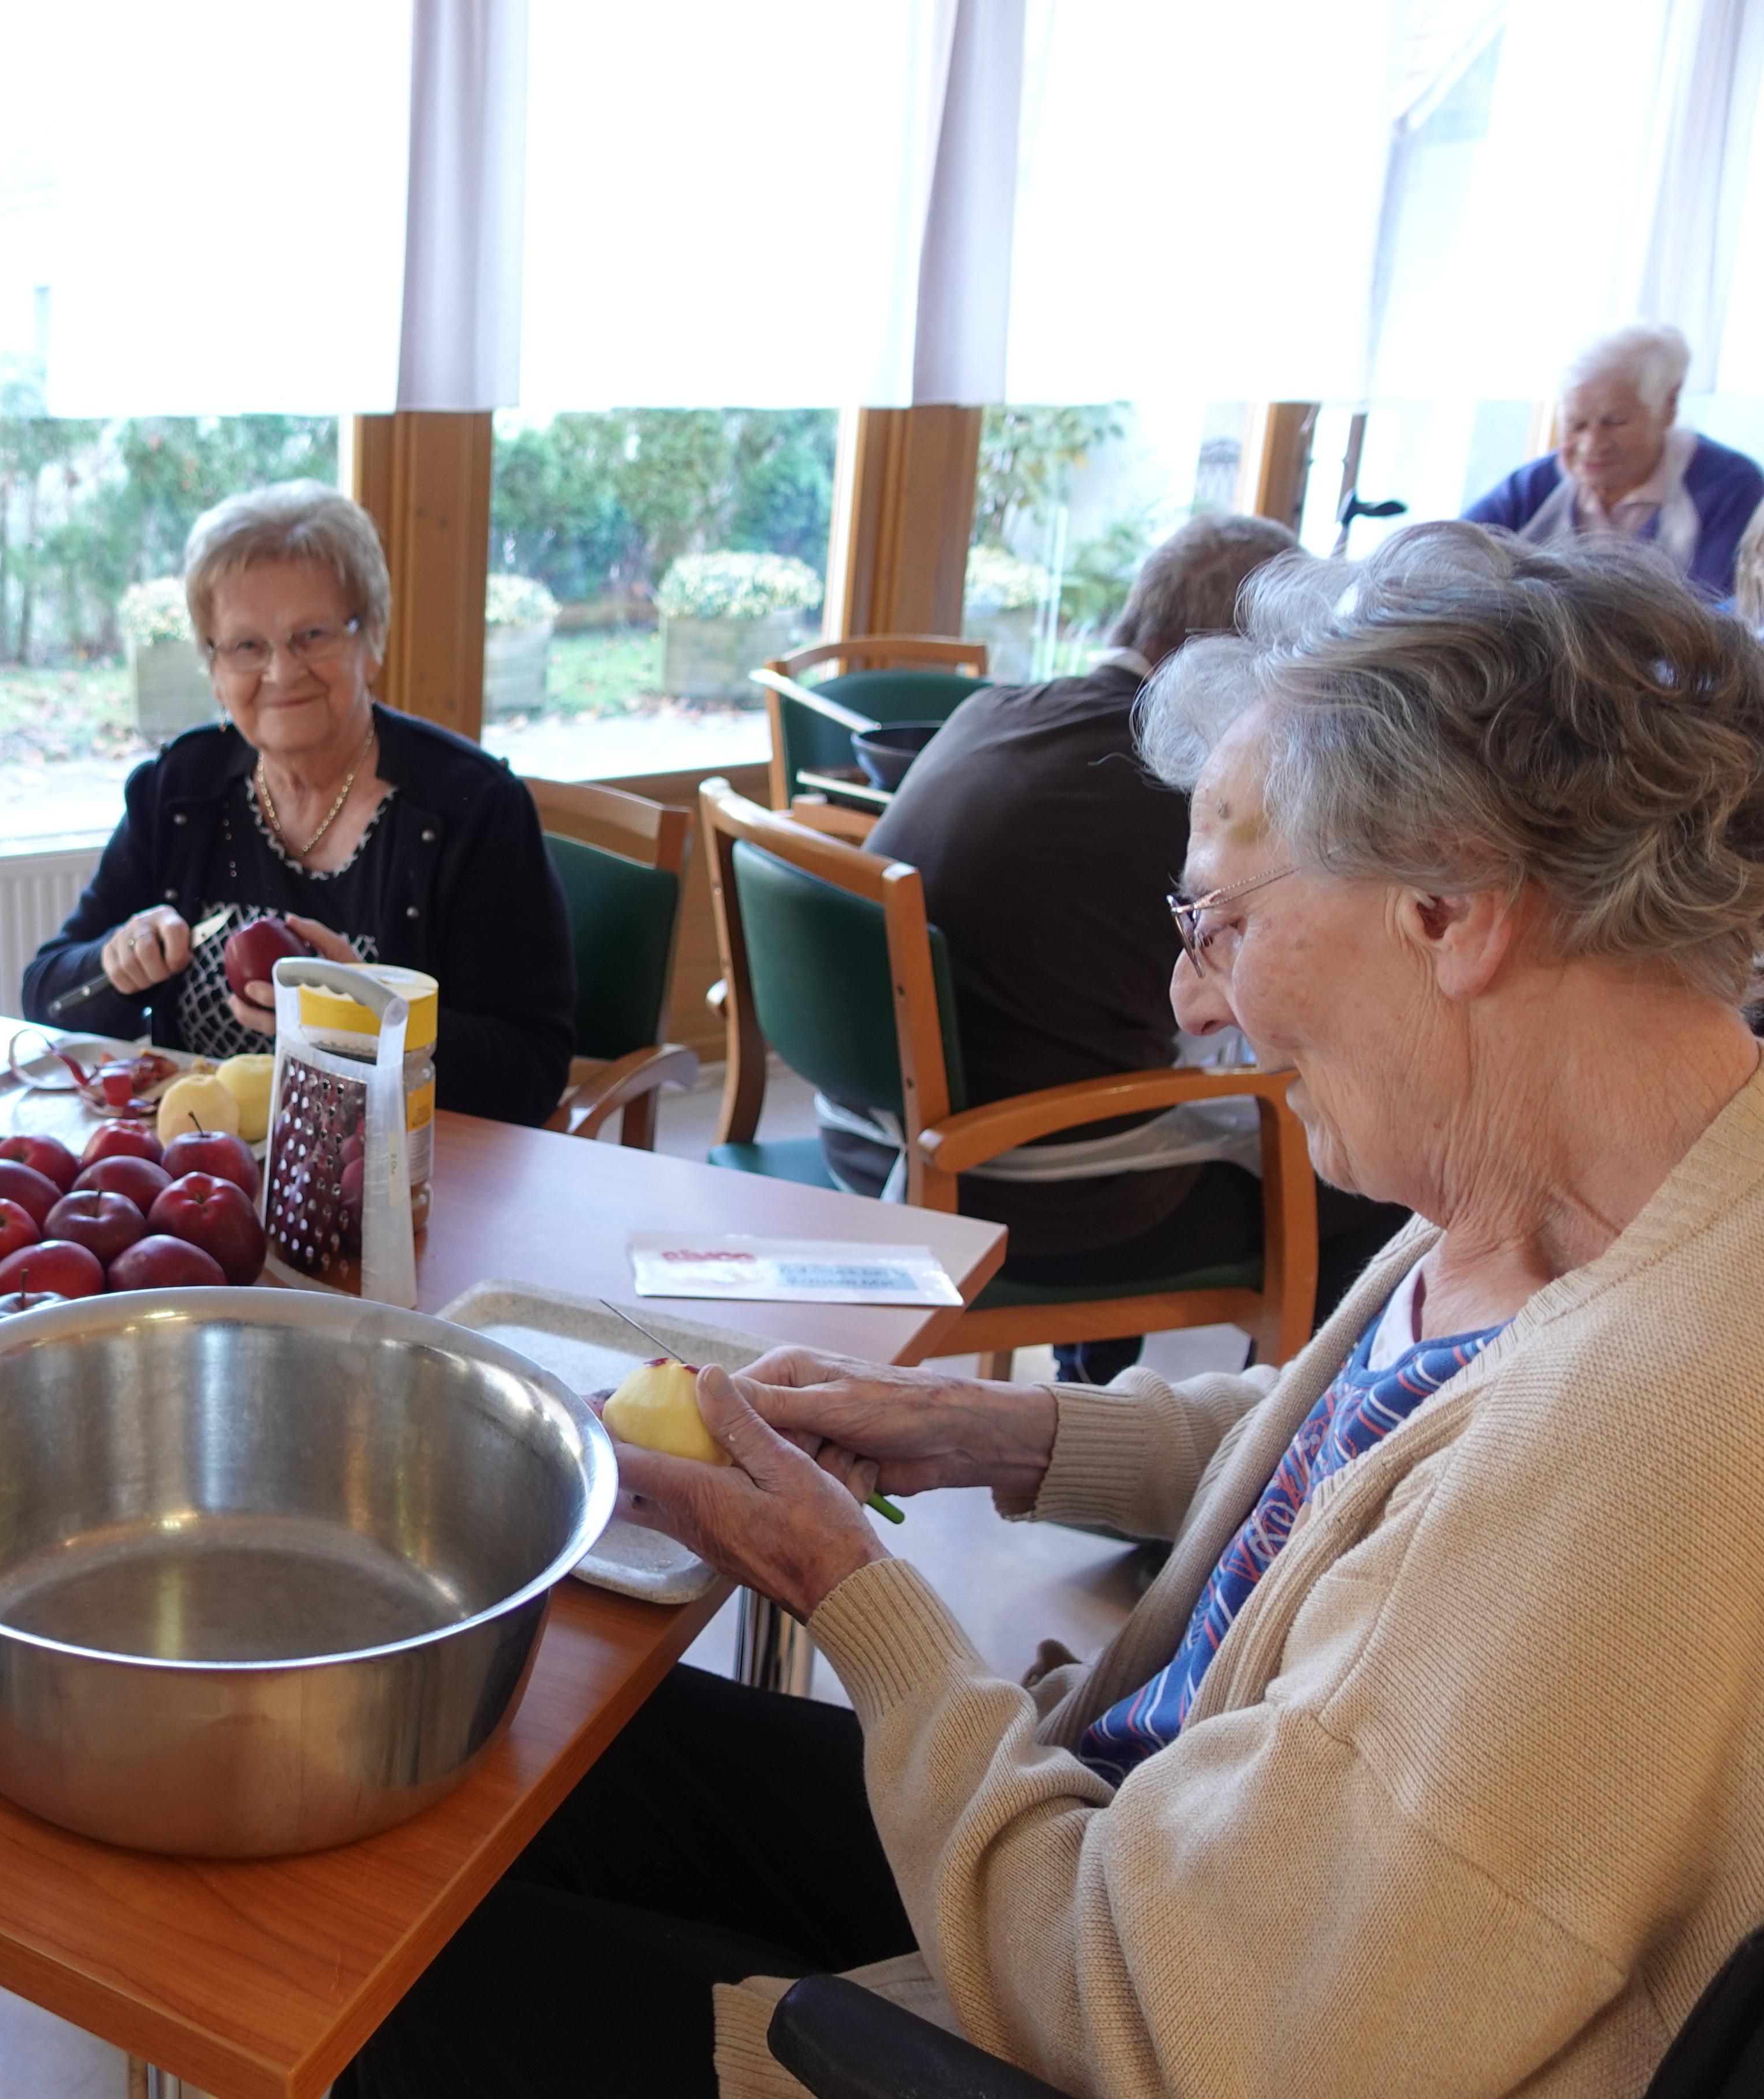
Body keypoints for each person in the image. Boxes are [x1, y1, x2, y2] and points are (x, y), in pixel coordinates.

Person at [341, 527, 1764, 2097]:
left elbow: (1165, 2018)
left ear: (1451, 904)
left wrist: (848, 1592)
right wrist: (989, 1428)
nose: (1188, 1001)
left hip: (1099, 1986)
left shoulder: (1638, 1465)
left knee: (375, 1980)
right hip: (1122, 1836)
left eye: (1219, 923)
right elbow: (1357, 1455)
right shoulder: (1579, 1187)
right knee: (524, 1765)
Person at [826, 512, 1406, 1380]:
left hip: (870, 1138)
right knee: (1375, 1180)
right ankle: (1285, 1442)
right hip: (1032, 1196)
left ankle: (1091, 1381)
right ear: (1231, 657)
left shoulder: (988, 710)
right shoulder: (1185, 787)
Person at [20, 482, 576, 1126]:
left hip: (389, 1171)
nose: (282, 672)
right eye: (246, 646)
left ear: (372, 639)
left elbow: (532, 1073)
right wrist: (114, 965)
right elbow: (47, 997)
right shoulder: (179, 790)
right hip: (200, 1163)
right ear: (215, 670)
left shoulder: (471, 807)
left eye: (312, 635)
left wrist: (370, 1019)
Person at [1463, 322, 1762, 602]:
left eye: (1615, 423)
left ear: (1668, 407)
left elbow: (1725, 611)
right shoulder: (1536, 485)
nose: (1591, 445)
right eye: (1576, 425)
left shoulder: (1731, 488)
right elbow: (1453, 554)